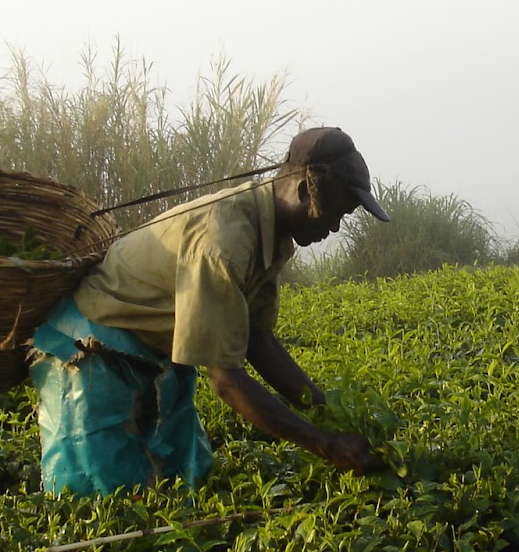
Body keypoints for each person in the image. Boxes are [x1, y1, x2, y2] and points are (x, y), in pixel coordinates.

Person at [27, 126, 390, 495]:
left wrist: (323, 410)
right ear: (302, 191)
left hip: (156, 352)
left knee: (184, 479)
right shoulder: (223, 242)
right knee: (102, 495)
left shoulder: (276, 236)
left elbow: (259, 340)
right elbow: (226, 379)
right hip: (95, 347)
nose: (333, 227)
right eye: (333, 213)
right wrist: (324, 444)